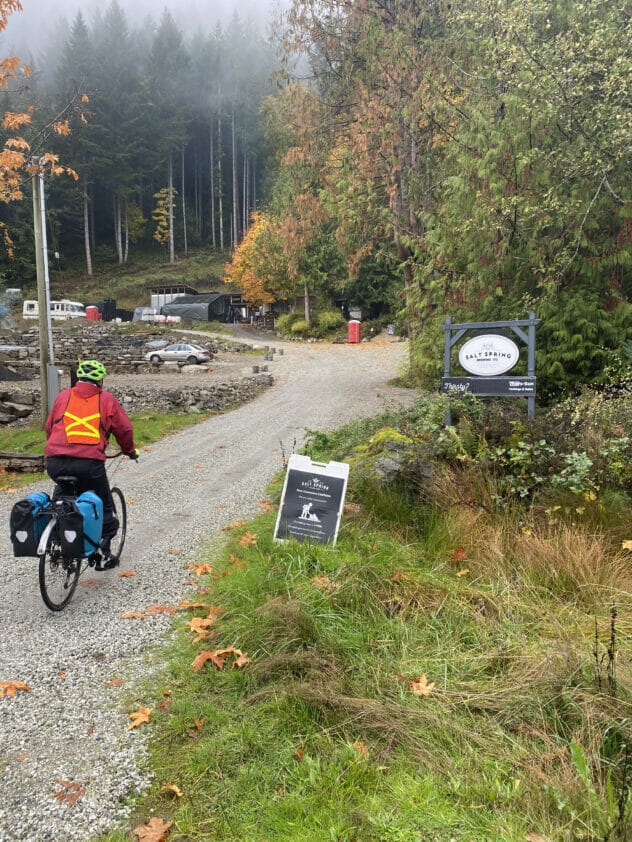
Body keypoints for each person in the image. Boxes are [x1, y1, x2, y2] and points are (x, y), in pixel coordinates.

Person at [44, 359, 138, 570]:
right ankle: (104, 555)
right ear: (100, 381)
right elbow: (125, 430)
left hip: (55, 463)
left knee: (62, 500)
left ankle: (57, 538)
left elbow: (49, 427)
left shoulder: (63, 396)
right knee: (104, 506)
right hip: (88, 465)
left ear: (79, 378)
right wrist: (129, 451)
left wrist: (58, 448)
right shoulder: (106, 399)